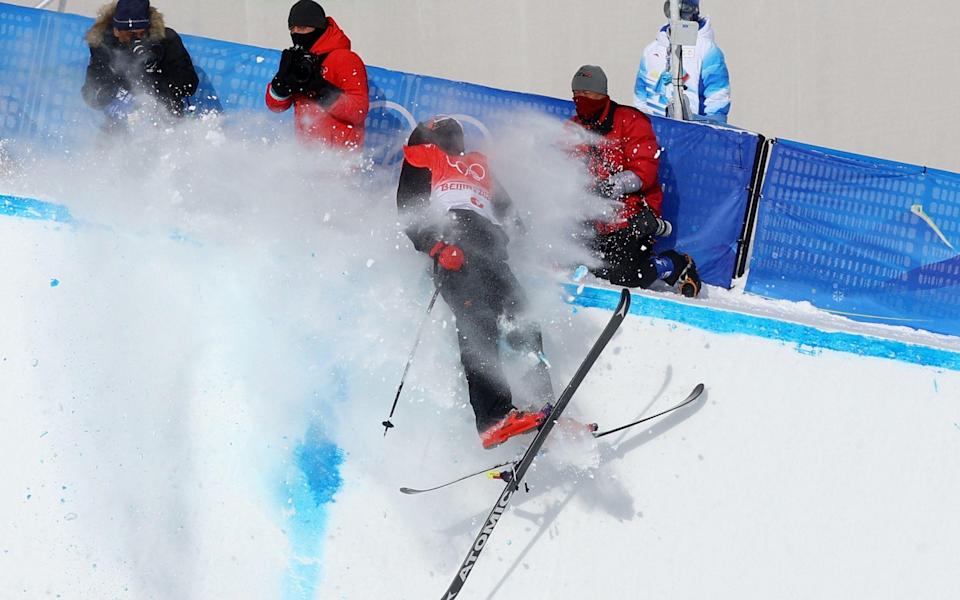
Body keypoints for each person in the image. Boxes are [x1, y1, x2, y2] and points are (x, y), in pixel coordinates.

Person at [397, 116, 554, 449]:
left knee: (523, 318)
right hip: (454, 246)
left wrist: (532, 245)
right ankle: (493, 418)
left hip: (490, 249)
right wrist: (436, 247)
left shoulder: (478, 166)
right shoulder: (423, 158)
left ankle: (544, 404)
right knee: (478, 323)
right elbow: (409, 211)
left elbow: (507, 210)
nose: (454, 140)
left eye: (456, 134)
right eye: (445, 135)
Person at [568, 65, 701, 298]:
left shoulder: (630, 121)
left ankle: (672, 263)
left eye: (587, 95)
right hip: (589, 218)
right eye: (577, 95)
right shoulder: (573, 128)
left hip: (632, 217)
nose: (581, 100)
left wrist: (613, 185)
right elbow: (564, 167)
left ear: (602, 95)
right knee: (570, 261)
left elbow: (645, 170)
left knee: (625, 277)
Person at [265, 0, 369, 149]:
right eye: (292, 29)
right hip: (308, 158)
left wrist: (318, 89)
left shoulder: (344, 58)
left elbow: (358, 111)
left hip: (341, 160)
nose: (296, 33)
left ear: (318, 28)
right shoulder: (298, 59)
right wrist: (281, 82)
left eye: (302, 27)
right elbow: (274, 106)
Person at [81, 0, 199, 126]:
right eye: (131, 35)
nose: (137, 40)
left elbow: (190, 85)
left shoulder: (166, 41)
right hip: (122, 120)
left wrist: (155, 72)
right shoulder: (104, 46)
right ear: (116, 31)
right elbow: (90, 92)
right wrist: (105, 90)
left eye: (142, 34)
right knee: (107, 140)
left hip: (164, 118)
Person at [633, 0, 731, 123]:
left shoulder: (706, 50)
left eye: (684, 8)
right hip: (655, 131)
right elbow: (641, 95)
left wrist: (712, 130)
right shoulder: (652, 50)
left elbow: (717, 96)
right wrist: (640, 125)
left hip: (693, 133)